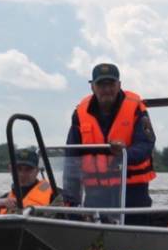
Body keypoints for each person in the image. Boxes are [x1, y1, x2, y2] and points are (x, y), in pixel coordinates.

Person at [62, 62, 157, 222]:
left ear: (119, 84)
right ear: (92, 86)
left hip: (132, 191)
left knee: (134, 235)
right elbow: (71, 157)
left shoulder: (136, 108)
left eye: (111, 84)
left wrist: (124, 154)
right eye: (101, 84)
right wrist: (71, 201)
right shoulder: (79, 113)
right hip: (96, 192)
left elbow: (146, 144)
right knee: (93, 239)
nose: (106, 89)